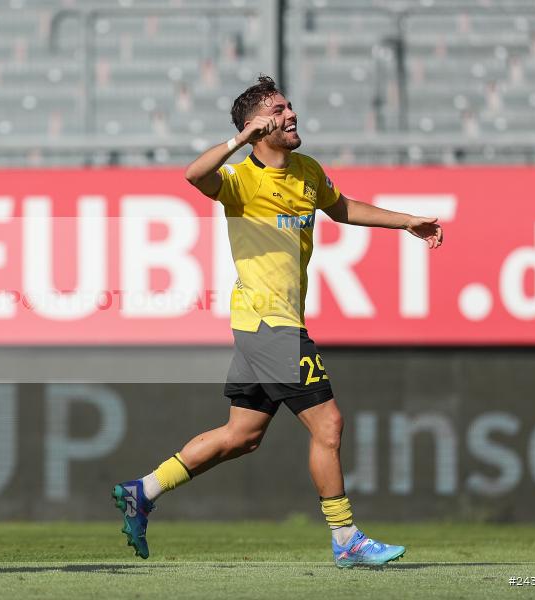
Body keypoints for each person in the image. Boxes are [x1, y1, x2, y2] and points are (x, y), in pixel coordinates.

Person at [112, 75, 443, 568]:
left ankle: (144, 490)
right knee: (328, 424)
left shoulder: (307, 170)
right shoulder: (241, 180)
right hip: (270, 324)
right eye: (279, 110)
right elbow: (194, 176)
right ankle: (346, 536)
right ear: (255, 126)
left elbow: (343, 207)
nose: (292, 115)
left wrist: (407, 221)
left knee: (241, 435)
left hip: (266, 324)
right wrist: (240, 140)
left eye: (291, 107)